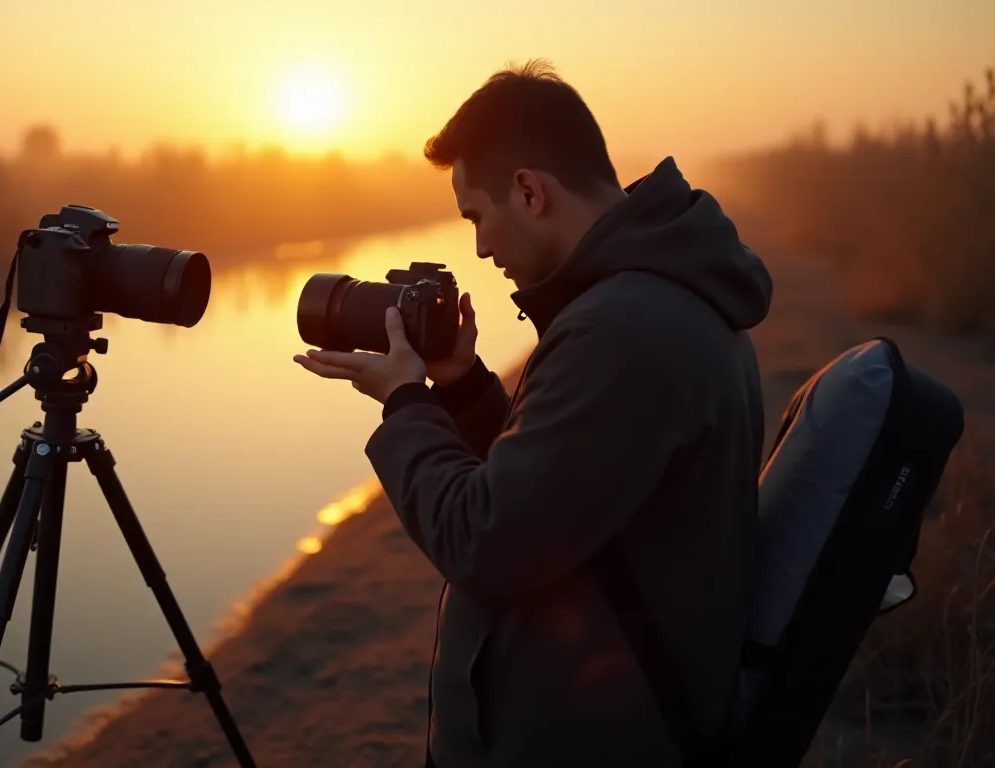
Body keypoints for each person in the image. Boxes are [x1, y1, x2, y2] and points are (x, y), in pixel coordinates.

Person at [292, 59, 773, 767]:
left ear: (529, 192)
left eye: (477, 217)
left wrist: (404, 403)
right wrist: (463, 390)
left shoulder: (621, 333)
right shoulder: (657, 299)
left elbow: (484, 543)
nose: (481, 247)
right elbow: (567, 487)